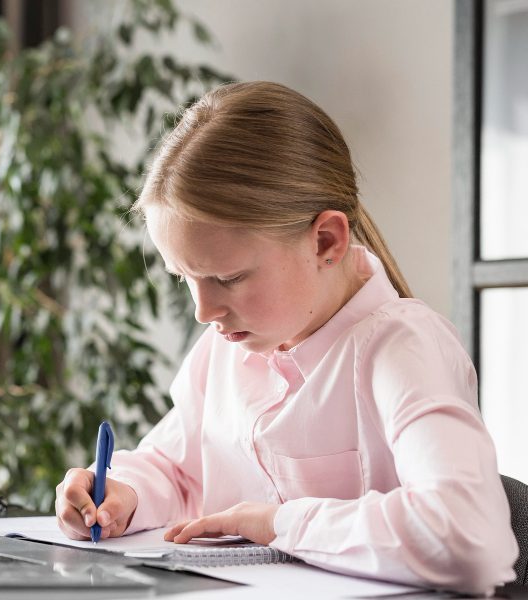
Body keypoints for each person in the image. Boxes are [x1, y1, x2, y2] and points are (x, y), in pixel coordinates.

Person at [54, 81, 517, 595]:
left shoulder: (402, 348)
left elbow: (467, 538)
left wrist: (279, 523)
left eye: (227, 278)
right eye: (183, 277)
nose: (202, 310)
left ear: (326, 241)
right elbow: (178, 469)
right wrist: (122, 492)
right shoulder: (228, 348)